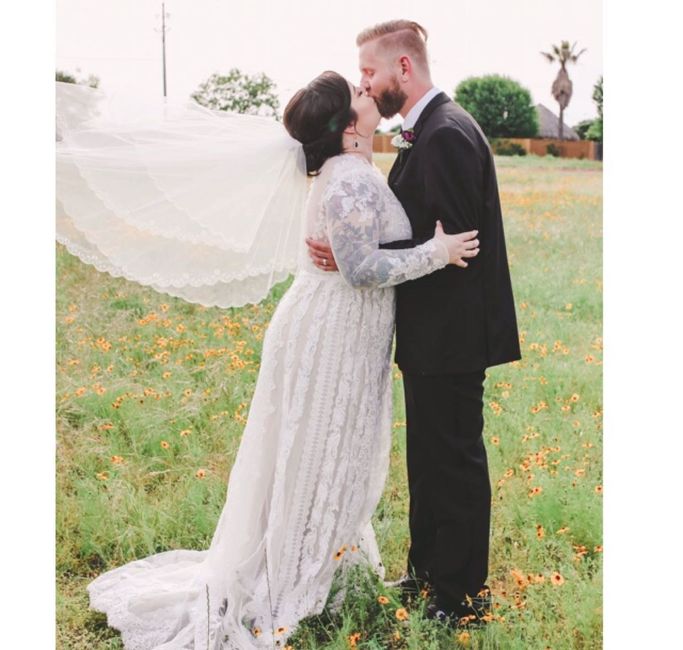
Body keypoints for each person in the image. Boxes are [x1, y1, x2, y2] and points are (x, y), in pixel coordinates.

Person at [57, 71, 480, 649]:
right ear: (347, 125)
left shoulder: (348, 171)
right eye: (358, 93)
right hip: (333, 332)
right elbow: (361, 270)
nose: (368, 92)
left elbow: (357, 253)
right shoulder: (349, 178)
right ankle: (295, 576)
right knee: (320, 451)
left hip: (338, 325)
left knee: (323, 452)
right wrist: (438, 251)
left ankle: (318, 561)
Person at [307, 21, 521, 627]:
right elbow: (423, 231)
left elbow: (457, 242)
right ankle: (427, 573)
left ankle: (460, 598)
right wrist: (356, 248)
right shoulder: (424, 130)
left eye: (369, 71)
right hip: (432, 334)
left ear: (403, 67)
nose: (364, 83)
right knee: (428, 462)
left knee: (452, 462)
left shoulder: (447, 133)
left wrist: (363, 256)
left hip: (453, 335)